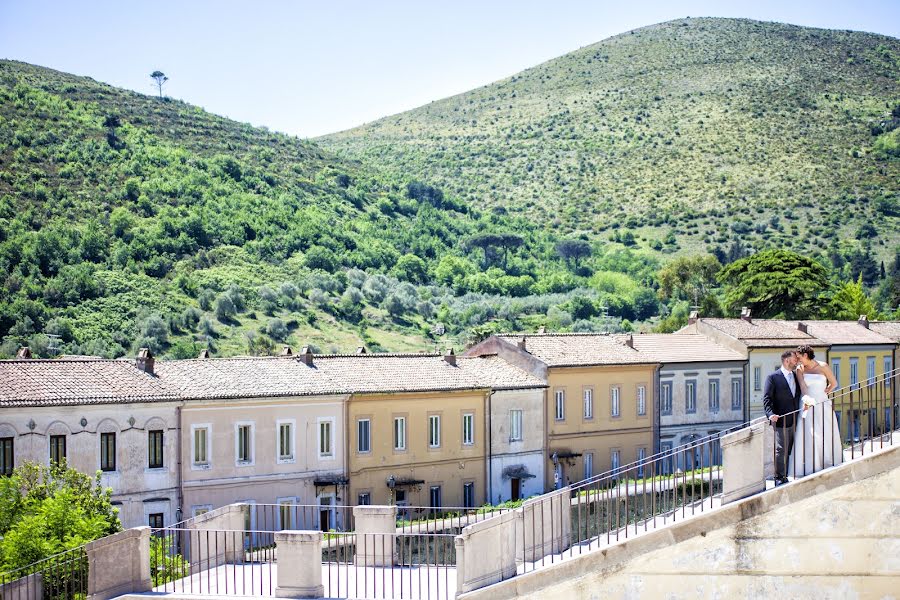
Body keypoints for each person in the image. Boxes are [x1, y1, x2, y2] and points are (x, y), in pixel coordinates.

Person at [790, 345, 843, 476]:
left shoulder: (823, 366)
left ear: (806, 355)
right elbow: (803, 387)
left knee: (825, 431)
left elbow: (834, 383)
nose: (797, 360)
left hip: (823, 403)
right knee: (809, 434)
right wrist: (807, 400)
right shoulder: (799, 369)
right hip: (807, 403)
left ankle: (828, 461)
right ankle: (811, 466)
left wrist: (825, 392)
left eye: (799, 357)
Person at [763, 350, 801, 485]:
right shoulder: (773, 377)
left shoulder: (796, 376)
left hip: (796, 418)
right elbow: (767, 399)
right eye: (794, 360)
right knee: (781, 449)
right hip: (781, 419)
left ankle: (790, 472)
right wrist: (770, 414)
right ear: (786, 361)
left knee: (792, 448)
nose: (796, 361)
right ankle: (779, 477)